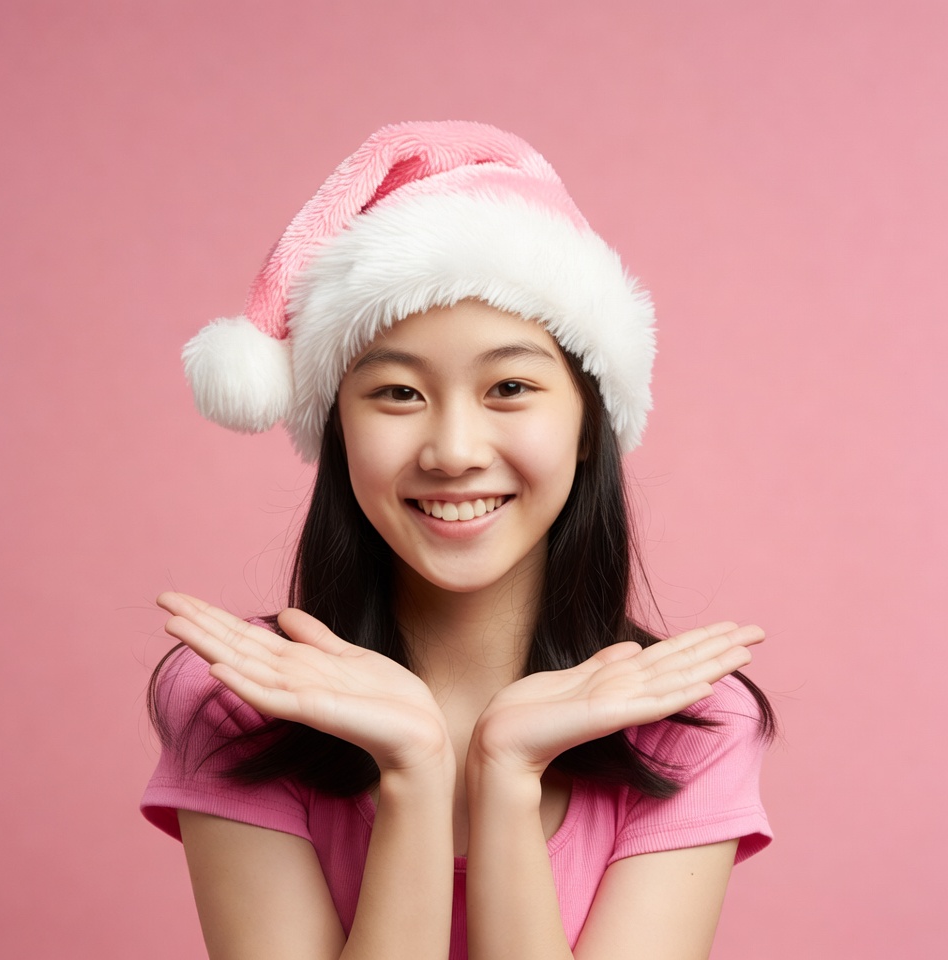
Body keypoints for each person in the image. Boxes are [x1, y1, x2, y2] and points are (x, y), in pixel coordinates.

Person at [142, 121, 774, 960]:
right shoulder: (239, 701)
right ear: (338, 430)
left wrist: (507, 775)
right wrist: (413, 772)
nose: (453, 451)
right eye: (398, 393)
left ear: (590, 425)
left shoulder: (689, 725)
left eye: (509, 386)